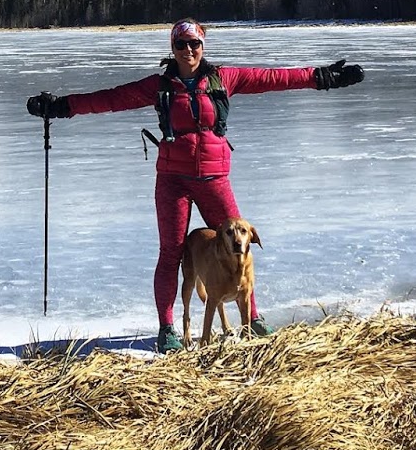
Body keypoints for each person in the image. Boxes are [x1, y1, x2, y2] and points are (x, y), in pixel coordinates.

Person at [27, 18, 365, 353]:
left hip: (214, 179)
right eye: (181, 45)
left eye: (195, 44)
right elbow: (112, 98)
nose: (189, 50)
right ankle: (167, 328)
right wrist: (61, 107)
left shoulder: (223, 78)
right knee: (171, 252)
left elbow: (272, 77)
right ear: (172, 49)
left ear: (203, 47)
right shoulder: (159, 86)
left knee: (239, 244)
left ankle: (253, 317)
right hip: (173, 181)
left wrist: (323, 78)